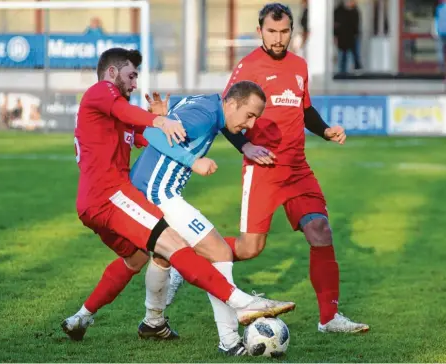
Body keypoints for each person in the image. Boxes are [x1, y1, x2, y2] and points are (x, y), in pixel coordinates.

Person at [62, 47, 295, 341]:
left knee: (137, 259)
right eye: (131, 75)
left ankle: (87, 317)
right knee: (184, 245)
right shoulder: (101, 92)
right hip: (112, 197)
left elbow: (142, 136)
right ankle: (240, 310)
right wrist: (164, 127)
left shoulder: (114, 116)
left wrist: (159, 119)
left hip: (99, 202)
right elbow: (147, 126)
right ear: (111, 73)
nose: (135, 83)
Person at [169, 3, 369, 334]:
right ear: (260, 30)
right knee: (251, 248)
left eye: (285, 32)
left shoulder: (300, 66)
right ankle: (184, 262)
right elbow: (224, 115)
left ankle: (329, 318)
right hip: (263, 171)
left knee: (320, 232)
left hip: (298, 170)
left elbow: (305, 110)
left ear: (293, 31)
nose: (279, 39)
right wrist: (245, 145)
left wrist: (325, 130)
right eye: (272, 32)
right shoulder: (248, 67)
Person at [334, 0, 362, 73]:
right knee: (343, 56)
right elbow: (336, 25)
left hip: (352, 37)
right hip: (343, 38)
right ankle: (342, 73)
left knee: (355, 56)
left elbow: (356, 25)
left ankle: (357, 71)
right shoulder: (339, 11)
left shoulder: (355, 11)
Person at [433, 0, 446, 73]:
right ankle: (441, 66)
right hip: (441, 31)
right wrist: (435, 30)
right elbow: (436, 19)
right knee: (439, 49)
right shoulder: (439, 8)